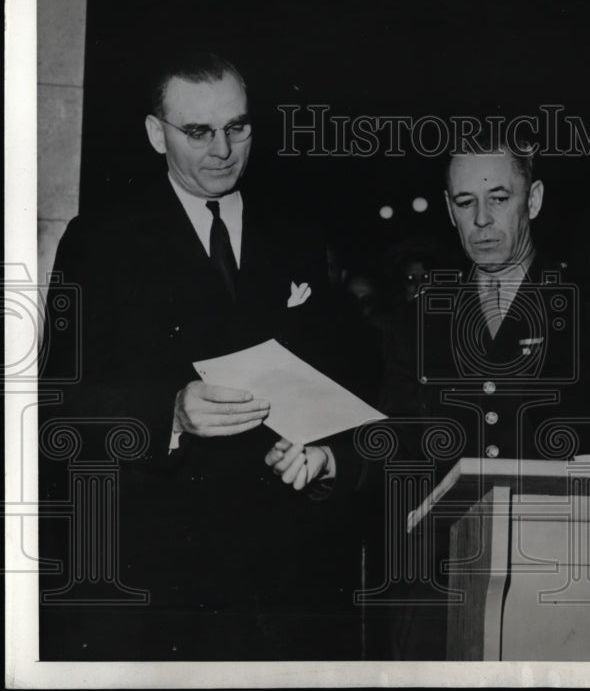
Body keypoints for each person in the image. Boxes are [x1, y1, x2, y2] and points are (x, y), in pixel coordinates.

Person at [40, 52, 378, 660]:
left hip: (280, 577)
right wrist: (168, 413)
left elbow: (346, 381)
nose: (223, 150)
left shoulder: (298, 235)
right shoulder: (100, 241)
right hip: (155, 580)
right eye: (198, 132)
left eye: (237, 127)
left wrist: (322, 450)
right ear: (156, 134)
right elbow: (57, 407)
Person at [371, 139, 588, 659]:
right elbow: (394, 440)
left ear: (533, 200)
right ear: (449, 210)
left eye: (499, 198)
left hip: (554, 571)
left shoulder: (589, 307)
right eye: (466, 202)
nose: (483, 220)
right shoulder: (420, 319)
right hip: (439, 577)